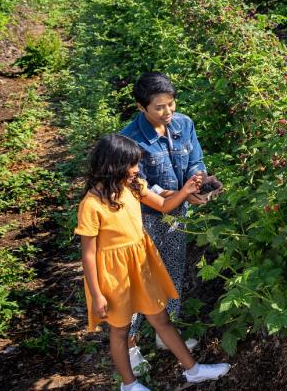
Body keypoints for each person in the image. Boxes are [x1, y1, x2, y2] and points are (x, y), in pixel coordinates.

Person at [76, 134, 230, 391]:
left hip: (140, 265)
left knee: (161, 318)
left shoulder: (133, 186)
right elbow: (88, 254)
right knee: (120, 331)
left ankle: (193, 370)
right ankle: (129, 385)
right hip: (114, 275)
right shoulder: (91, 205)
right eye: (132, 165)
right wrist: (97, 294)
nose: (137, 169)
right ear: (114, 166)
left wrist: (186, 191)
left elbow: (164, 205)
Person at [119, 72, 207, 364]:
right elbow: (140, 186)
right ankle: (129, 345)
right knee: (137, 279)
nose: (167, 111)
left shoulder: (184, 124)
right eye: (159, 107)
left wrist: (198, 184)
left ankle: (165, 333)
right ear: (141, 107)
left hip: (177, 214)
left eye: (171, 104)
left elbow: (195, 160)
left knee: (172, 271)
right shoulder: (130, 139)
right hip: (143, 218)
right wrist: (181, 194)